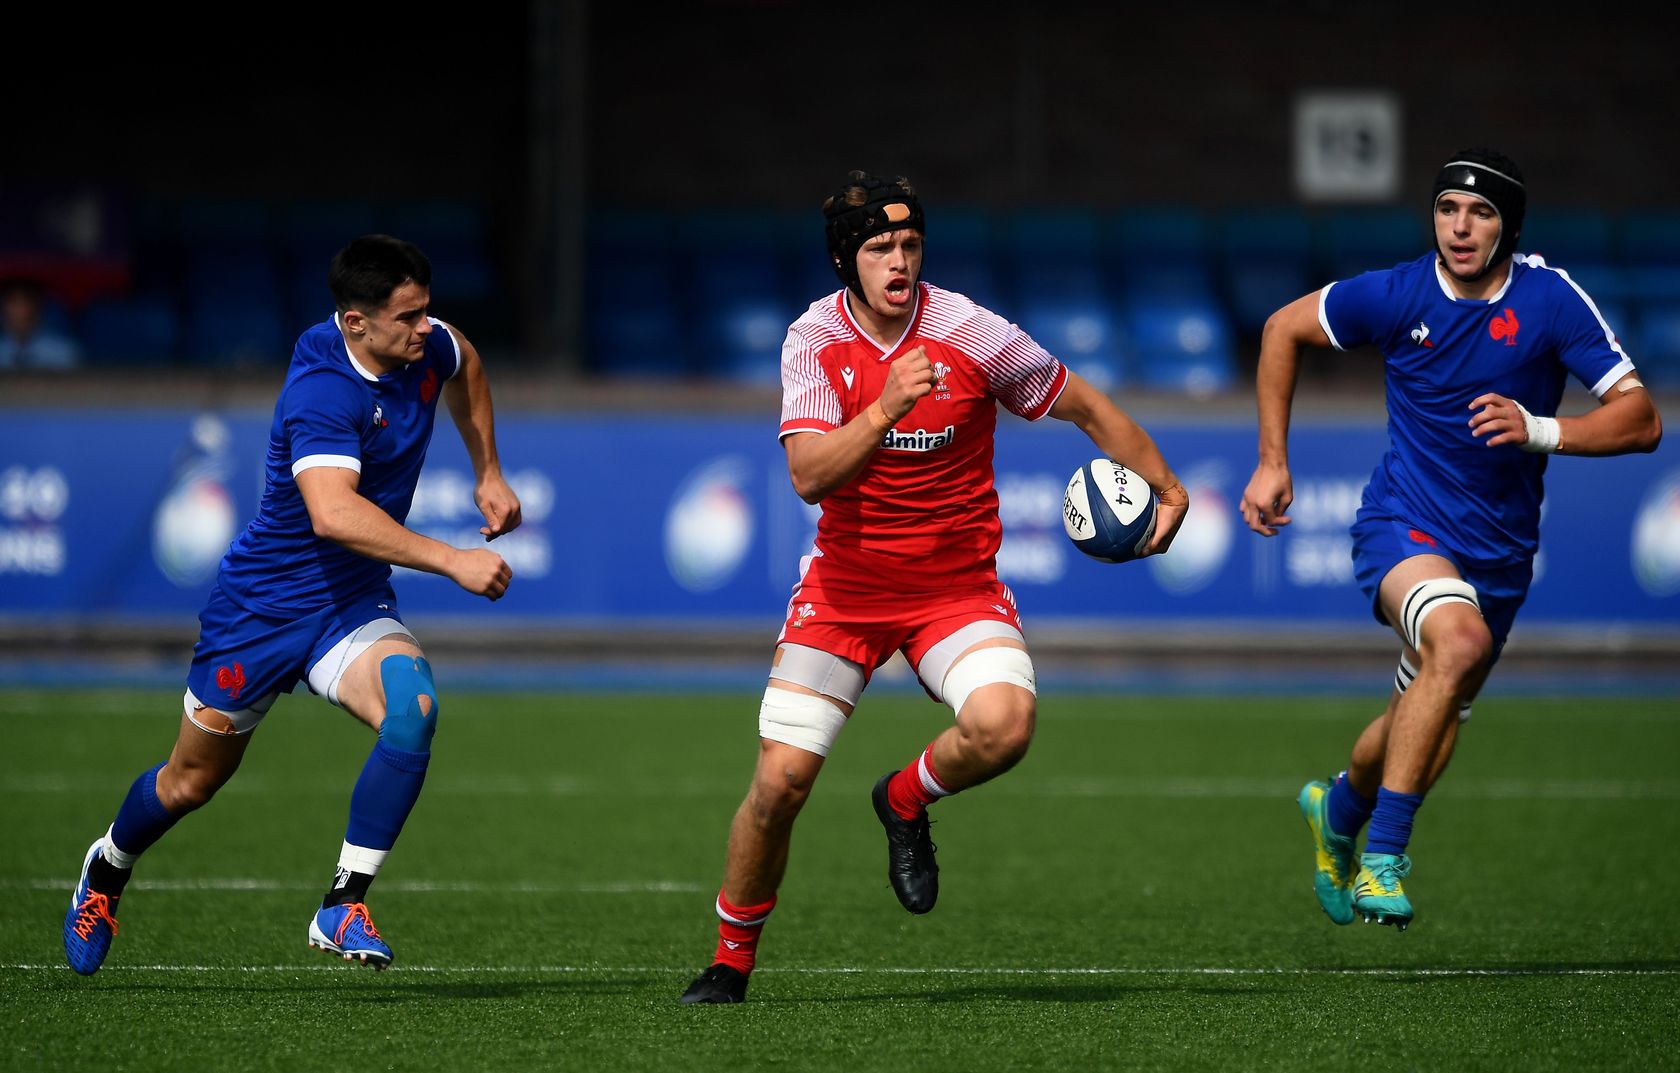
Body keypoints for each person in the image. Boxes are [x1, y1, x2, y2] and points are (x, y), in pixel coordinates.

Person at [679, 172, 1189, 1004]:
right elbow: (808, 475)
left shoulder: (971, 332)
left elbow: (1087, 407)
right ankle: (730, 961)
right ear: (845, 260)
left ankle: (904, 797)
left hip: (956, 590)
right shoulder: (812, 339)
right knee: (779, 785)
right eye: (880, 247)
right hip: (845, 592)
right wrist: (884, 408)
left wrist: (1167, 485)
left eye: (910, 244)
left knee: (1006, 725)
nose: (900, 261)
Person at [61, 235, 521, 975]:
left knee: (414, 707)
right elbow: (333, 515)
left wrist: (488, 471)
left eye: (425, 310)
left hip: (350, 602)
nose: (424, 328)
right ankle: (107, 867)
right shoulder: (323, 391)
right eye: (407, 317)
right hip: (263, 610)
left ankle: (343, 903)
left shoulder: (427, 345)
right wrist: (452, 559)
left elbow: (466, 362)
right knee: (190, 782)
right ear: (355, 322)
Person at [1240, 148, 1662, 932]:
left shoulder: (1551, 300)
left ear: (1510, 228)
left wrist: (1541, 428)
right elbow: (1280, 329)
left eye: (1480, 213)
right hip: (1403, 523)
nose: (1460, 227)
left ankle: (1338, 810)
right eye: (1446, 209)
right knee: (1458, 643)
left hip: (1500, 553)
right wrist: (1272, 462)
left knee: (1427, 721)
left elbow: (1642, 420)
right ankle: (1382, 861)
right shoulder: (1397, 293)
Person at [0, 279, 82, 370]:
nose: (20, 311)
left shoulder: (63, 352)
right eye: (14, 303)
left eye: (26, 303)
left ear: (38, 307)